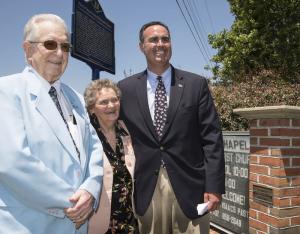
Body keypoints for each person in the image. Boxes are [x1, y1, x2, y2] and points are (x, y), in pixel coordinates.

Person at [118, 21, 225, 234]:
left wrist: (213, 186)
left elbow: (211, 137)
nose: (160, 44)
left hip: (190, 185)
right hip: (147, 185)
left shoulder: (196, 84)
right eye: (153, 39)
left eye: (165, 39)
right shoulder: (124, 89)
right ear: (142, 46)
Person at [0, 14, 103, 234]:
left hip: (76, 224)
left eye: (65, 46)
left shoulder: (75, 97)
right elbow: (12, 161)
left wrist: (91, 190)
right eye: (50, 44)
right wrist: (74, 203)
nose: (59, 53)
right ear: (28, 50)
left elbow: (94, 148)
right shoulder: (6, 90)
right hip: (28, 224)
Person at [84, 79, 137, 234]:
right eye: (104, 102)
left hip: (129, 220)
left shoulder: (125, 130)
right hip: (99, 222)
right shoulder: (86, 135)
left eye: (115, 100)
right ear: (92, 108)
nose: (111, 106)